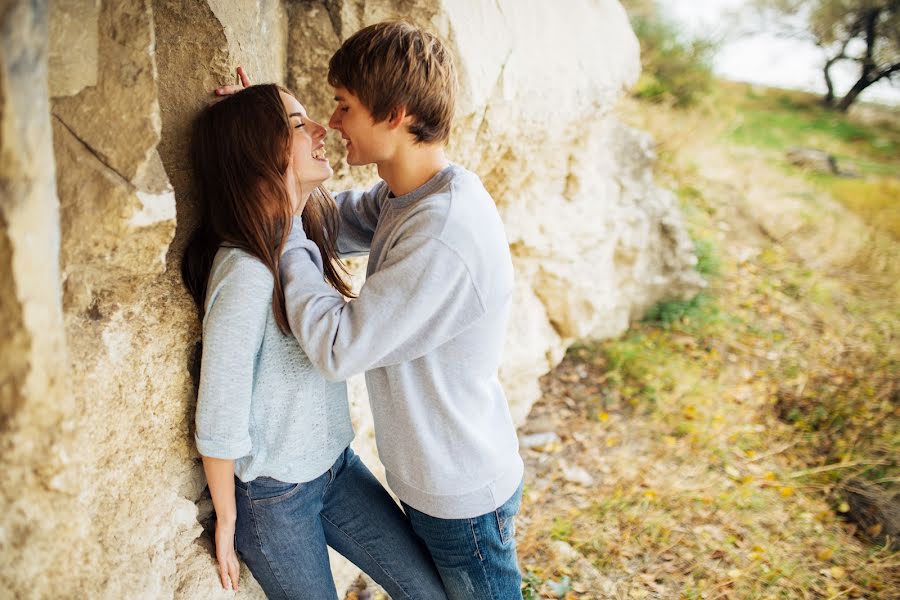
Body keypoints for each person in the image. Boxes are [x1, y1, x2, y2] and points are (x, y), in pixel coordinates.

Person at [217, 20, 526, 599]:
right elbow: (330, 220)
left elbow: (340, 346)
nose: (331, 123)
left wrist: (282, 235)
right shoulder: (408, 194)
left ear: (395, 115)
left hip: (462, 495)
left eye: (343, 106)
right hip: (438, 479)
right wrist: (258, 139)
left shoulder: (441, 234)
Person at [181, 83, 447, 600]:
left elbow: (395, 202)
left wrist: (261, 102)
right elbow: (220, 411)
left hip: (338, 468)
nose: (322, 129)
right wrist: (228, 520)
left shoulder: (306, 232)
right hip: (274, 501)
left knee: (428, 593)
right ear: (258, 153)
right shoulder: (246, 273)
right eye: (299, 126)